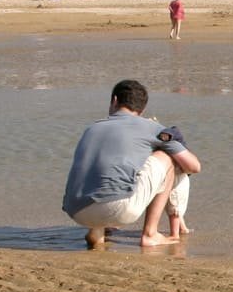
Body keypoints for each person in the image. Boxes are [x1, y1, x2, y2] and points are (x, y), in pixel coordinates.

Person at [63, 79, 201, 249]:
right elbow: (194, 166)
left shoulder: (92, 128)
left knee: (104, 170)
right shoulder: (152, 128)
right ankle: (150, 234)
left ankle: (97, 232)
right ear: (143, 109)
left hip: (76, 210)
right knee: (168, 159)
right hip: (117, 208)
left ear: (114, 100)